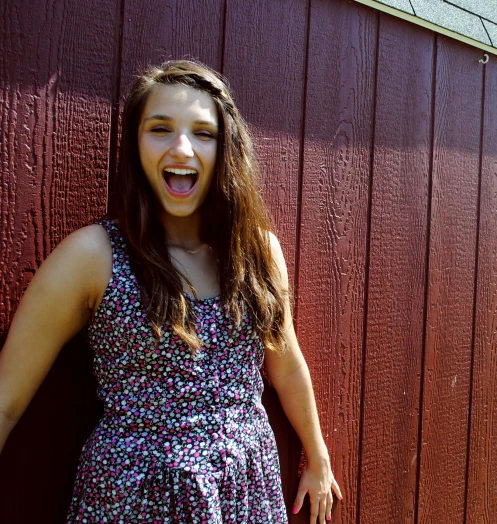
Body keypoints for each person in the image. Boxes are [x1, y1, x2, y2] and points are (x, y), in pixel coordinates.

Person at [0, 60, 341, 523]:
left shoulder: (259, 253)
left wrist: (317, 455)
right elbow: (7, 400)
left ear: (227, 149)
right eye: (160, 129)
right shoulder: (93, 257)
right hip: (135, 498)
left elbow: (286, 364)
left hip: (243, 489)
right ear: (136, 144)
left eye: (203, 133)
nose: (182, 148)